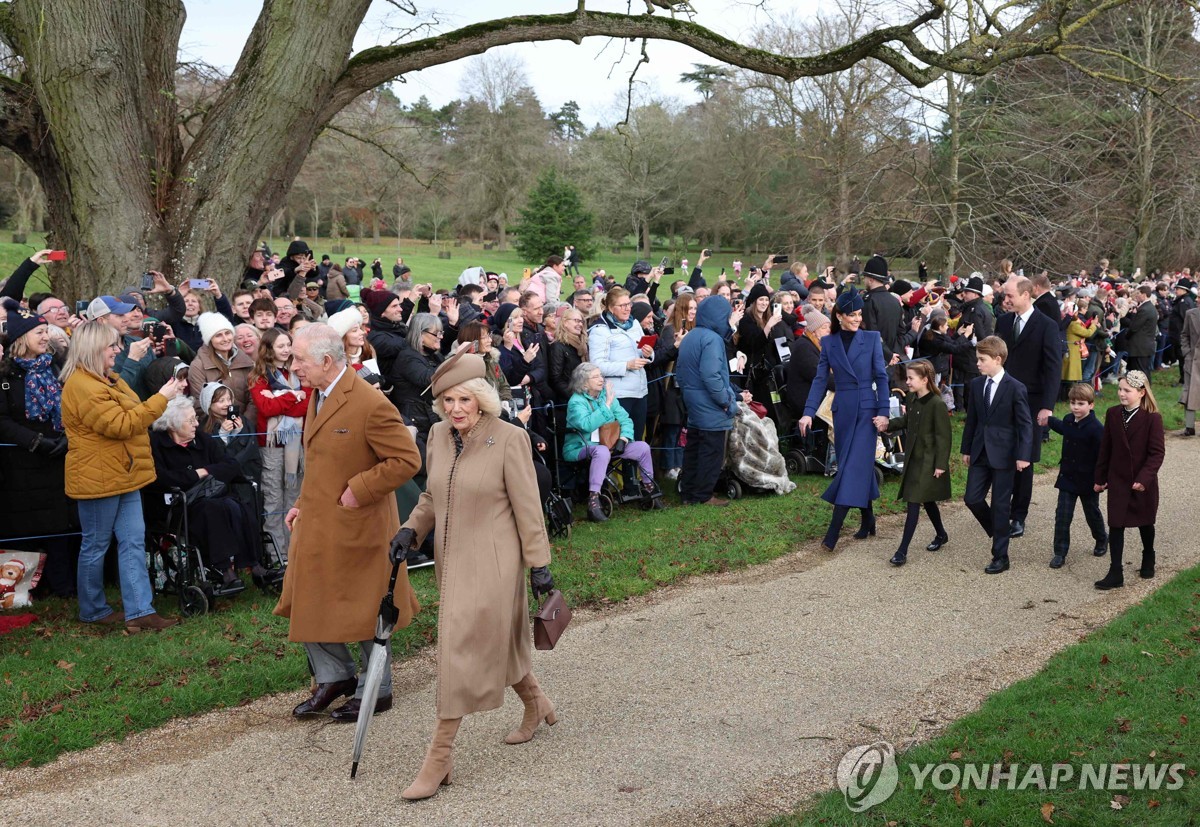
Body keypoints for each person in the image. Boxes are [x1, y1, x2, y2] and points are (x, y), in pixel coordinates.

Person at [390, 352, 555, 801]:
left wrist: (540, 566)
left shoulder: (508, 438)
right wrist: (410, 529)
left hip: (496, 566)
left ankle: (439, 756)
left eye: (464, 398)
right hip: (452, 563)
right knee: (493, 642)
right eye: (447, 400)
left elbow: (528, 508)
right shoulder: (440, 436)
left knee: (459, 651)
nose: (455, 408)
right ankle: (537, 704)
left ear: (481, 398)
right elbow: (431, 494)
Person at [274, 324, 422, 722]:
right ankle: (335, 678)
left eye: (300, 360)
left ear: (326, 361)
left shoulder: (369, 403)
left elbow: (407, 460)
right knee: (308, 596)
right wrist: (303, 502)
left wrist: (361, 488)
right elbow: (324, 460)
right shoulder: (318, 395)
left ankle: (379, 689)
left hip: (359, 526)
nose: (294, 366)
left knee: (362, 606)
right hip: (318, 523)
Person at [61, 322, 186, 631]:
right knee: (96, 545)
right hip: (97, 478)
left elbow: (132, 417)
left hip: (125, 473)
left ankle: (140, 611)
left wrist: (157, 401)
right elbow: (122, 425)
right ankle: (93, 610)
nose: (117, 351)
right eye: (111, 347)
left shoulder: (109, 380)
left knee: (132, 542)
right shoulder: (82, 386)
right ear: (93, 350)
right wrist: (162, 397)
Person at [799, 288, 890, 551]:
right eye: (852, 315)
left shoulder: (872, 339)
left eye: (860, 314)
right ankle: (868, 518)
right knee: (856, 466)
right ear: (839, 316)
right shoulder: (828, 343)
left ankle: (832, 533)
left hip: (866, 411)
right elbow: (819, 380)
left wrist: (883, 412)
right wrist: (808, 412)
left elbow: (881, 378)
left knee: (850, 468)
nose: (858, 319)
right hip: (842, 413)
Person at [148, 397, 273, 589]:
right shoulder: (156, 443)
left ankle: (255, 565)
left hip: (209, 497)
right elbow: (161, 478)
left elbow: (230, 465)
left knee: (237, 505)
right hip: (176, 507)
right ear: (172, 424)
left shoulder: (201, 438)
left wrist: (204, 471)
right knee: (213, 509)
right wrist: (196, 474)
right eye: (190, 420)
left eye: (195, 419)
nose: (196, 424)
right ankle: (225, 571)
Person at [0, 299, 77, 596]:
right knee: (25, 527)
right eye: (39, 333)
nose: (46, 336)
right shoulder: (6, 374)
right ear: (22, 339)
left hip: (57, 457)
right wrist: (35, 442)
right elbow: (2, 419)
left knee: (59, 526)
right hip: (20, 463)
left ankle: (64, 587)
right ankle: (24, 590)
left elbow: (70, 405)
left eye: (46, 331)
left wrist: (65, 437)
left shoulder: (54, 367)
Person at [995, 277, 1062, 538]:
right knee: (1000, 451)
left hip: (1032, 403)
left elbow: (1053, 368)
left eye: (1010, 296)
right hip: (1002, 400)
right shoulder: (1002, 322)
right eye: (1004, 296)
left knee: (1024, 459)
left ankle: (1018, 515)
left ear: (1026, 295)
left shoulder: (1046, 325)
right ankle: (1000, 506)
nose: (1006, 300)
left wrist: (1047, 406)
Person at [960, 336, 1033, 575]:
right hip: (980, 451)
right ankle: (999, 529)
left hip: (1005, 455)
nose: (978, 364)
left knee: (1001, 505)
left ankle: (1000, 555)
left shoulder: (1015, 387)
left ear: (998, 359)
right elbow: (972, 419)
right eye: (977, 359)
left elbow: (1025, 425)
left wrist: (1024, 455)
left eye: (982, 360)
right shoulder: (977, 385)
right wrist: (967, 449)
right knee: (972, 498)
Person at [1093, 370, 1165, 590]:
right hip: (1118, 479)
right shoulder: (1113, 414)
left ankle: (1148, 555)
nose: (1121, 394)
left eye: (1127, 390)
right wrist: (1100, 477)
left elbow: (1156, 453)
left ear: (1141, 393)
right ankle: (1116, 571)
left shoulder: (1152, 418)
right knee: (1115, 524)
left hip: (1142, 482)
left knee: (1145, 522)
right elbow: (1106, 448)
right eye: (1120, 389)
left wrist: (1144, 478)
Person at [564, 362, 662, 521]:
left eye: (600, 375)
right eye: (595, 377)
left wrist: (624, 438)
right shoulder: (576, 401)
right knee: (601, 451)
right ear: (583, 382)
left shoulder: (605, 395)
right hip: (580, 446)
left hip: (609, 444)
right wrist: (607, 405)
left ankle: (650, 489)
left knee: (642, 447)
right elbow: (586, 425)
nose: (601, 379)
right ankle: (594, 500)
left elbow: (626, 420)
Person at [676, 296, 747, 506]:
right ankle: (704, 495)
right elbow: (711, 376)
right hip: (710, 404)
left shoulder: (691, 336)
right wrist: (726, 401)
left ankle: (688, 492)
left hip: (692, 400)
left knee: (694, 449)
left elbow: (680, 372)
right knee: (711, 451)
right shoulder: (712, 340)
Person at [248, 328, 309, 559]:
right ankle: (276, 554)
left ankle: (295, 550)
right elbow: (266, 408)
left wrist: (281, 398)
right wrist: (294, 396)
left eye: (288, 345)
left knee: (294, 496)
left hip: (297, 443)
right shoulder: (259, 376)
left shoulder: (300, 371)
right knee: (273, 499)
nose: (286, 350)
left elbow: (309, 400)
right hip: (271, 445)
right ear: (269, 349)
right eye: (280, 346)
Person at [884, 360, 951, 566]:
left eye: (911, 378)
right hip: (914, 459)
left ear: (924, 380)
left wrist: (941, 464)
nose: (907, 382)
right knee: (927, 500)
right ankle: (941, 534)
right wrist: (887, 424)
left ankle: (902, 551)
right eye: (907, 378)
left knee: (914, 501)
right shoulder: (912, 398)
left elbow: (944, 437)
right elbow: (907, 422)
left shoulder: (937, 404)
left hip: (929, 461)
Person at [1046, 383, 1108, 569]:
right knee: (1063, 516)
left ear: (1091, 405)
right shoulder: (1068, 420)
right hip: (1068, 478)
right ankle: (1060, 552)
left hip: (1089, 480)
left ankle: (1101, 538)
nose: (1075, 407)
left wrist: (1102, 480)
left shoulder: (1096, 429)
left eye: (1080, 403)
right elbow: (1063, 428)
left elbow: (1103, 457)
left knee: (1092, 513)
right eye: (1073, 402)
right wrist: (1048, 420)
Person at [588, 287, 653, 441]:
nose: (627, 308)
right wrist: (626, 366)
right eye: (622, 305)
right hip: (618, 394)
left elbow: (643, 351)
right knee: (618, 440)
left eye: (629, 304)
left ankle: (632, 465)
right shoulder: (600, 330)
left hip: (640, 391)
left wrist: (648, 353)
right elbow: (597, 365)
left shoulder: (635, 324)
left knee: (636, 438)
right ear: (611, 308)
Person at [188, 312, 256, 421]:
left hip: (246, 428)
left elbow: (254, 398)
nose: (225, 339)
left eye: (228, 333)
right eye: (218, 335)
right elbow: (200, 404)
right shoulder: (198, 366)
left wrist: (244, 424)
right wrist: (224, 427)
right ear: (209, 339)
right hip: (216, 430)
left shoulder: (246, 361)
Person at [386, 312, 445, 440]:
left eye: (441, 333)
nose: (440, 337)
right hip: (416, 421)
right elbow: (430, 379)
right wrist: (455, 357)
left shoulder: (434, 355)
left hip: (428, 415)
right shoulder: (407, 357)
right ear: (420, 334)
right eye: (436, 333)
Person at [1122, 284, 1159, 377]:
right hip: (1143, 345)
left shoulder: (1145, 309)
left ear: (1144, 294)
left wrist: (1127, 335)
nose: (1136, 295)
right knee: (1141, 370)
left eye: (1138, 293)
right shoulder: (1148, 307)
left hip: (1140, 346)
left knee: (1141, 371)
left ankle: (1145, 390)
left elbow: (1134, 327)